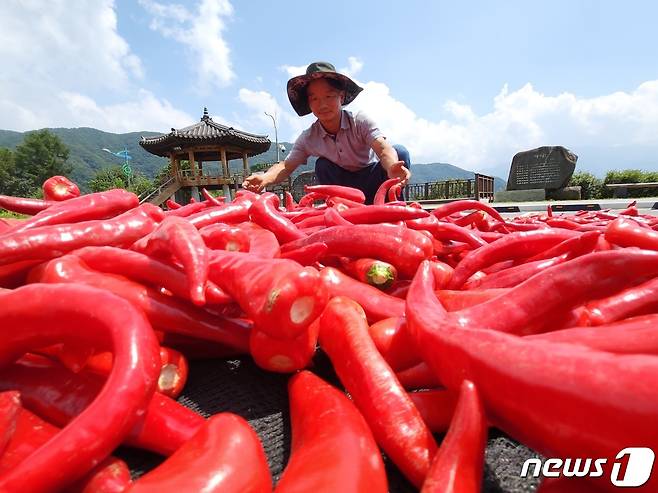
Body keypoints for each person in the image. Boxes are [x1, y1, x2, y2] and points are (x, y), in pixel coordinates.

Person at [242, 61, 411, 204]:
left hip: (372, 178)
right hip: (344, 189)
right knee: (322, 165)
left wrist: (391, 167)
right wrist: (265, 178)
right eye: (314, 98)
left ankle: (395, 206)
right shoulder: (308, 137)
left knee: (400, 152)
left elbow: (383, 149)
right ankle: (342, 210)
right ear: (309, 104)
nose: (322, 104)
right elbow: (286, 166)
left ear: (341, 97)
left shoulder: (360, 121)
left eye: (329, 96)